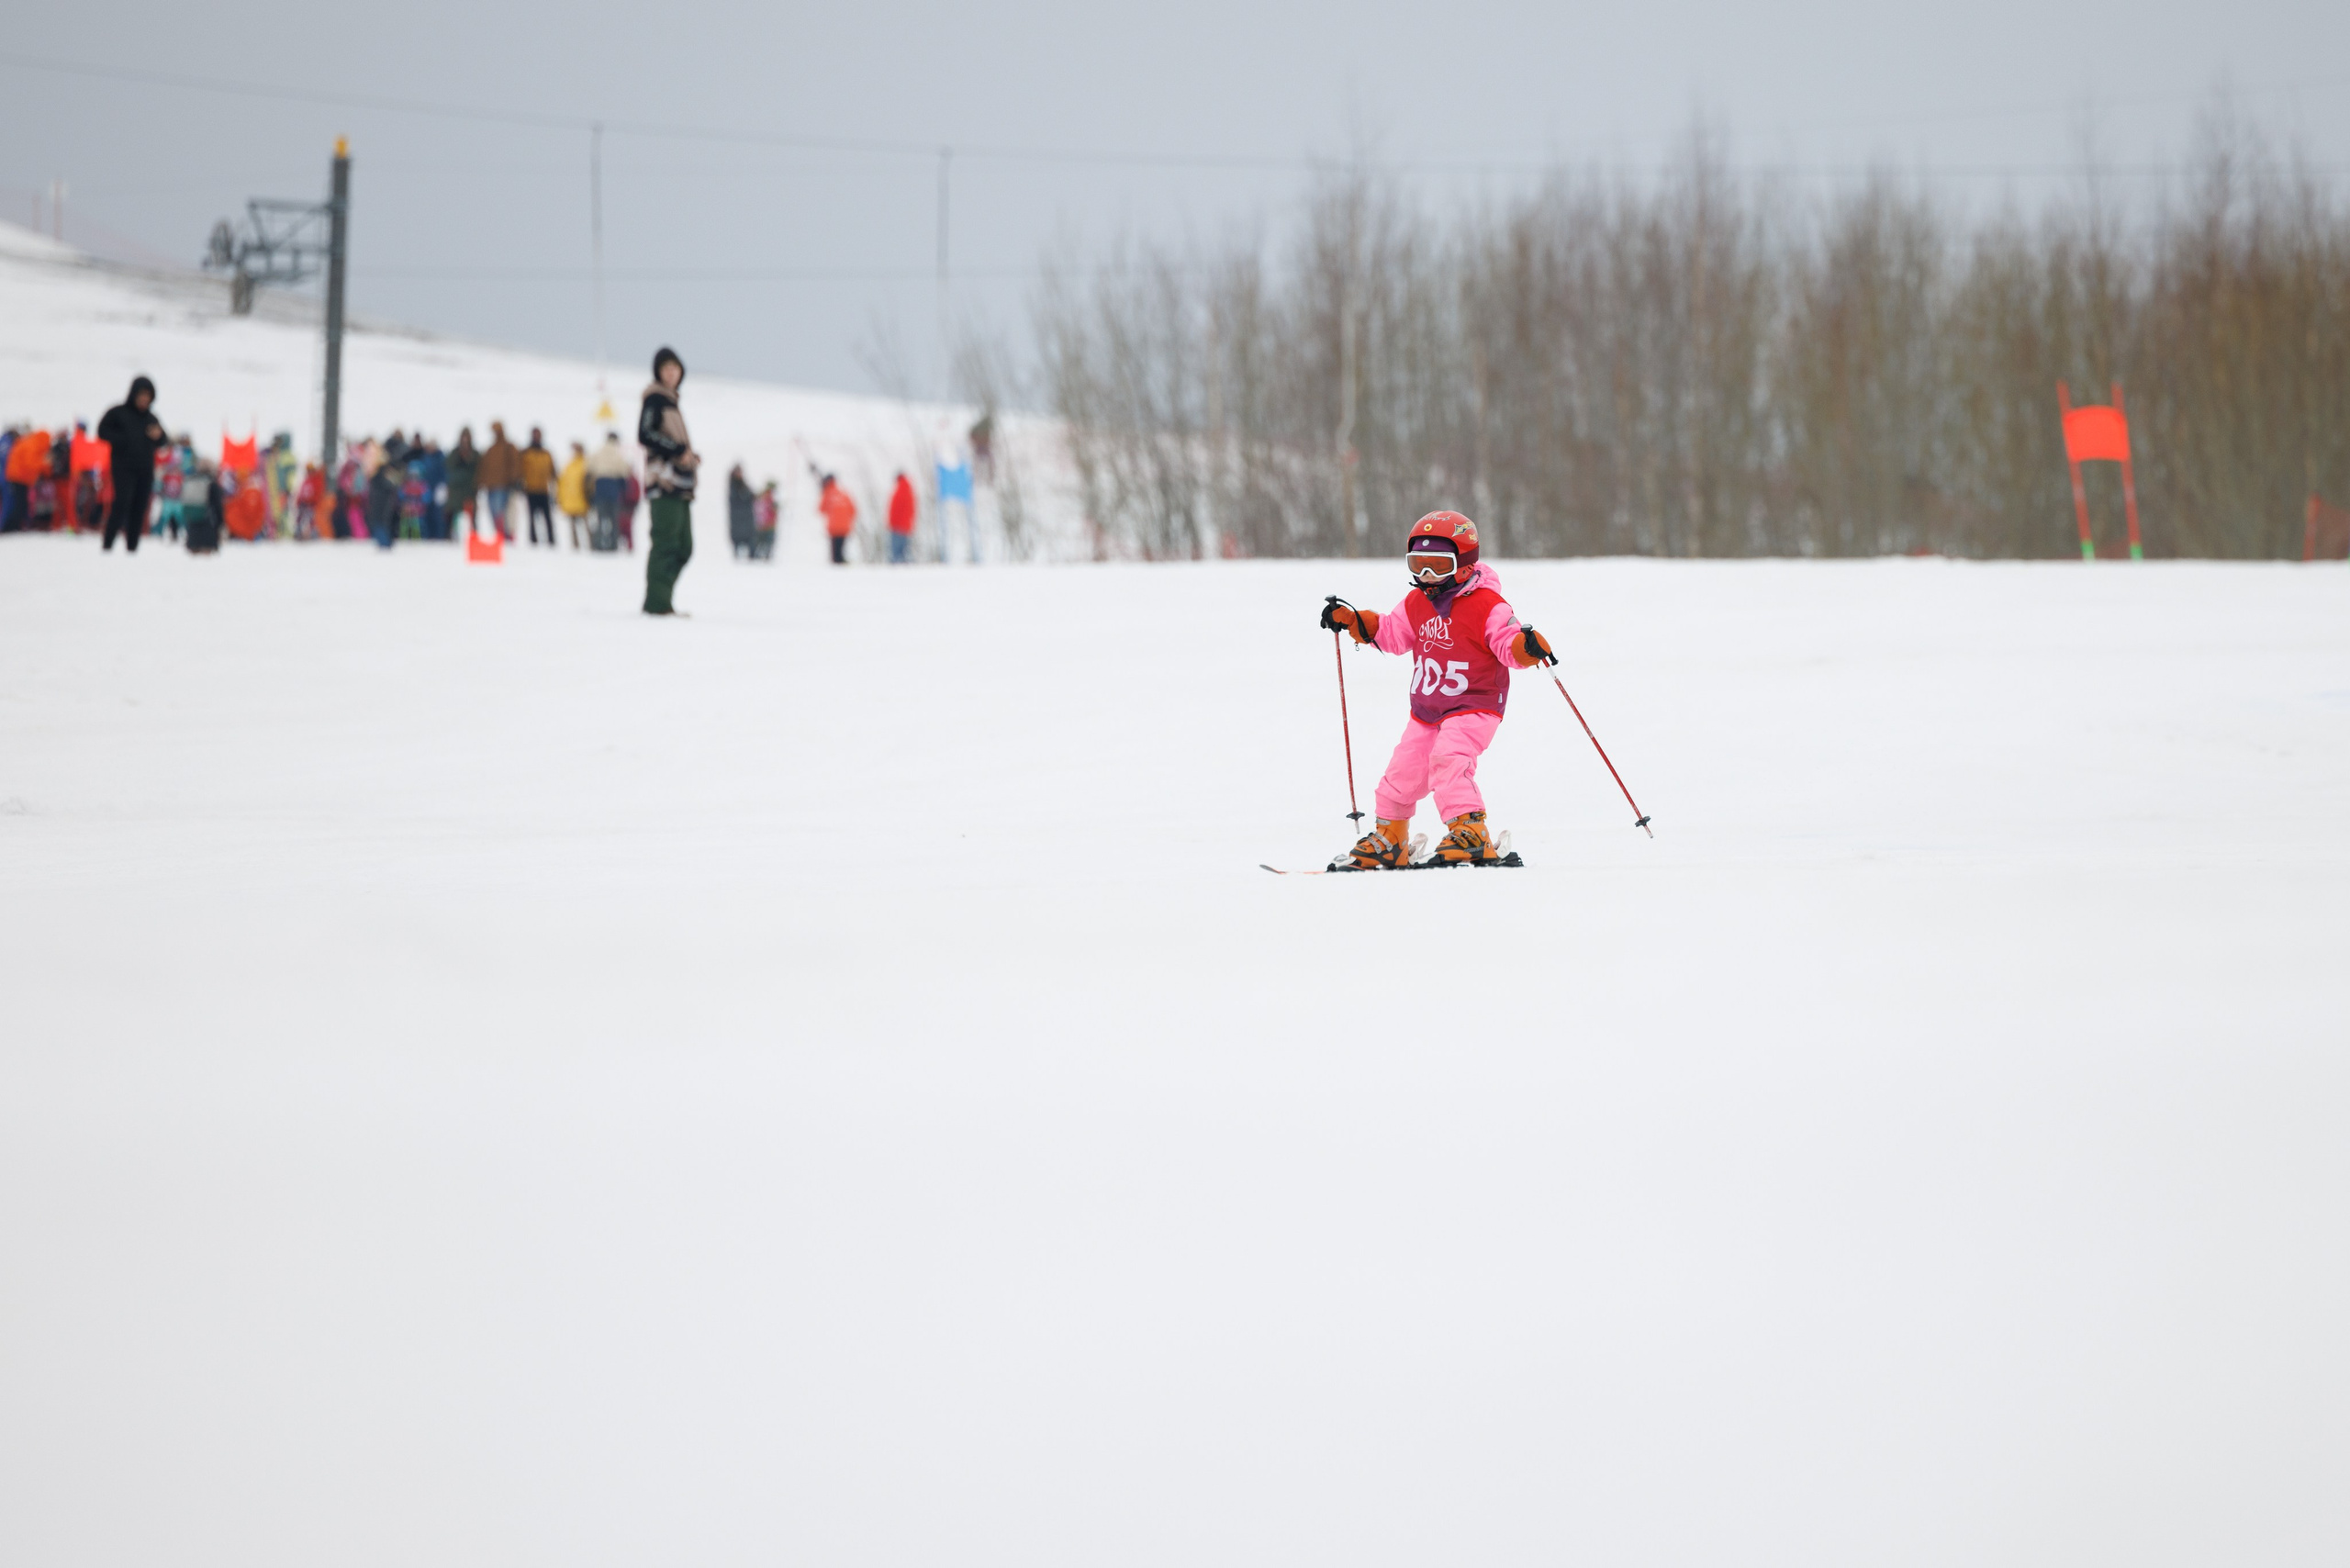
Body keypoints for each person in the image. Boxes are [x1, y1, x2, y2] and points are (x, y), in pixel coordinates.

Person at [1318, 511, 1557, 868]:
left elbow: (1508, 643)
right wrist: (1354, 621)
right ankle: (1391, 838)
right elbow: (1392, 634)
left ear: (1464, 564)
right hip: (1428, 709)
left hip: (1475, 704)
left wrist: (1525, 647)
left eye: (1438, 565)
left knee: (1449, 758)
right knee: (1402, 771)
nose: (1427, 575)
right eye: (1418, 565)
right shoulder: (1417, 603)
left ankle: (1470, 832)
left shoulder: (1488, 605)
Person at [637, 346, 699, 615]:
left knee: (684, 546)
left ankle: (663, 598)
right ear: (658, 372)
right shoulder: (655, 399)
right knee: (666, 544)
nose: (671, 373)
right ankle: (657, 604)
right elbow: (645, 434)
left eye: (675, 368)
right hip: (663, 482)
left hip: (680, 483)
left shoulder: (672, 401)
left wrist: (689, 456)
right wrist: (677, 451)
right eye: (666, 368)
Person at [585, 431, 629, 551]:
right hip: (613, 492)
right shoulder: (618, 454)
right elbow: (625, 473)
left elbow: (589, 470)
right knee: (614, 521)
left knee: (600, 519)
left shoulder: (598, 452)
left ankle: (598, 545)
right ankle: (613, 545)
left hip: (600, 490)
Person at [477, 420, 520, 541]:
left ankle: (505, 535)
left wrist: (514, 480)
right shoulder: (490, 450)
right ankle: (499, 535)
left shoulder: (509, 447)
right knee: (493, 512)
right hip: (490, 487)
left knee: (501, 512)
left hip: (503, 486)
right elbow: (484, 468)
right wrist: (481, 482)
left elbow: (515, 464)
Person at [520, 426, 558, 546]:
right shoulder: (525, 453)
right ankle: (533, 540)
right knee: (531, 517)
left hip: (544, 490)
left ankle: (551, 540)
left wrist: (555, 485)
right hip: (530, 490)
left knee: (548, 517)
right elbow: (520, 470)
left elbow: (553, 471)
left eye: (538, 435)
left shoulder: (546, 454)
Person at [446, 428, 480, 539]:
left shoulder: (475, 454)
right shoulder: (455, 453)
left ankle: (473, 537)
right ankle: (450, 536)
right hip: (456, 491)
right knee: (453, 515)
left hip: (469, 490)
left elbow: (478, 470)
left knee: (472, 516)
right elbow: (449, 466)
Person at [817, 472, 856, 566]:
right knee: (841, 550)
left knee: (835, 554)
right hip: (845, 527)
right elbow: (853, 510)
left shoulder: (827, 493)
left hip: (834, 528)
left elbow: (821, 509)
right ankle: (841, 562)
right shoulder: (844, 493)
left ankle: (837, 565)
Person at [557, 441, 590, 549]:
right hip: (572, 501)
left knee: (586, 525)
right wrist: (560, 499)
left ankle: (591, 545)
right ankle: (576, 546)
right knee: (573, 527)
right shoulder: (570, 465)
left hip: (582, 500)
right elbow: (562, 483)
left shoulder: (586, 464)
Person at [887, 470, 916, 564]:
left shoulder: (900, 491)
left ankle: (897, 569)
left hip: (898, 526)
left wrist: (892, 523)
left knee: (896, 553)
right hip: (906, 526)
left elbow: (895, 509)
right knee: (904, 551)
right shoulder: (909, 490)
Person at [727, 463, 755, 559]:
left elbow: (750, 495)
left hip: (746, 518)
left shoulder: (743, 484)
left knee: (749, 537)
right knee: (738, 539)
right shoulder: (733, 486)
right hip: (738, 518)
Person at [752, 481, 778, 559]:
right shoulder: (763, 498)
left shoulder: (771, 498)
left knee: (767, 545)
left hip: (767, 525)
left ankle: (765, 556)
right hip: (764, 526)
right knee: (762, 544)